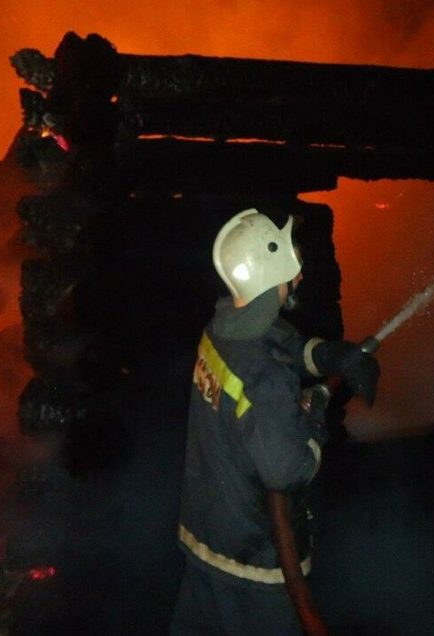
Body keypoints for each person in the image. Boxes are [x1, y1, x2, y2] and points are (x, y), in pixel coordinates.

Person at [171, 208, 378, 635]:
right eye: (291, 268)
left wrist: (331, 355)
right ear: (271, 273)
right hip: (253, 567)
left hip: (205, 537)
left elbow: (283, 342)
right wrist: (316, 414)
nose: (298, 275)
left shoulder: (223, 326)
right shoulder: (264, 377)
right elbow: (288, 470)